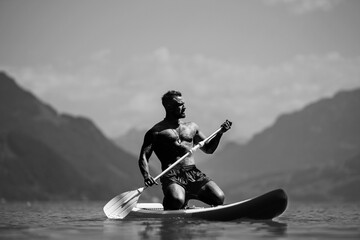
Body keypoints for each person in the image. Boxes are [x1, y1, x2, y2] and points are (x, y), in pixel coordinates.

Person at [138, 90, 232, 210]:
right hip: (171, 175)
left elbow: (209, 149)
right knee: (177, 200)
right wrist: (146, 176)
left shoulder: (192, 127)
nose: (184, 107)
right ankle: (173, 203)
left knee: (219, 198)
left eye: (183, 104)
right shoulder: (155, 132)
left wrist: (220, 133)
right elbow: (144, 156)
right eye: (180, 104)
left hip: (193, 173)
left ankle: (184, 200)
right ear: (169, 106)